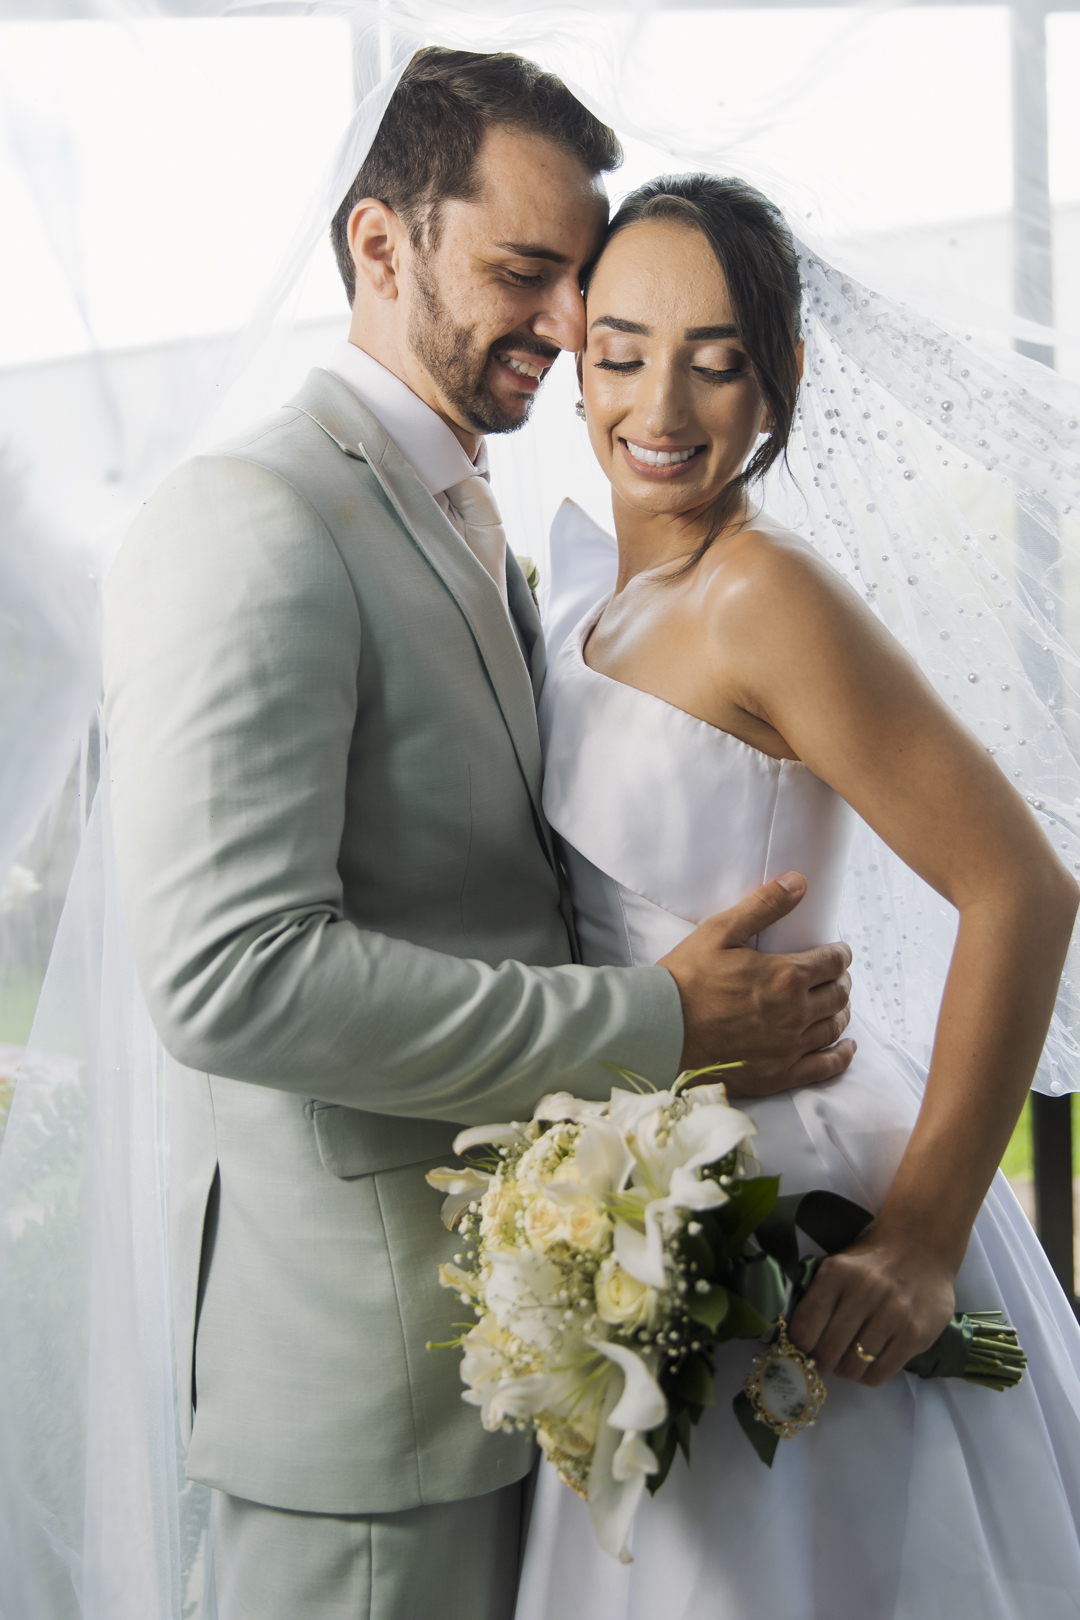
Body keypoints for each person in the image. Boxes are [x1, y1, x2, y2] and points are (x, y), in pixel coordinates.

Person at [100, 56, 855, 1620]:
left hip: (538, 1372)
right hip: (369, 1416)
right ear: (382, 249)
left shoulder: (479, 518)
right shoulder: (257, 516)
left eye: (578, 276)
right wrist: (659, 1024)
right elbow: (232, 978)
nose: (574, 324)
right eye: (527, 273)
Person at [515, 174, 1080, 1620]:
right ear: (580, 355)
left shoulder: (765, 597)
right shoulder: (593, 597)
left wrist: (926, 1239)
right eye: (624, 352)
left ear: (781, 382)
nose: (663, 403)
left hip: (803, 1210)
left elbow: (1022, 885)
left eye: (716, 362)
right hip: (640, 1210)